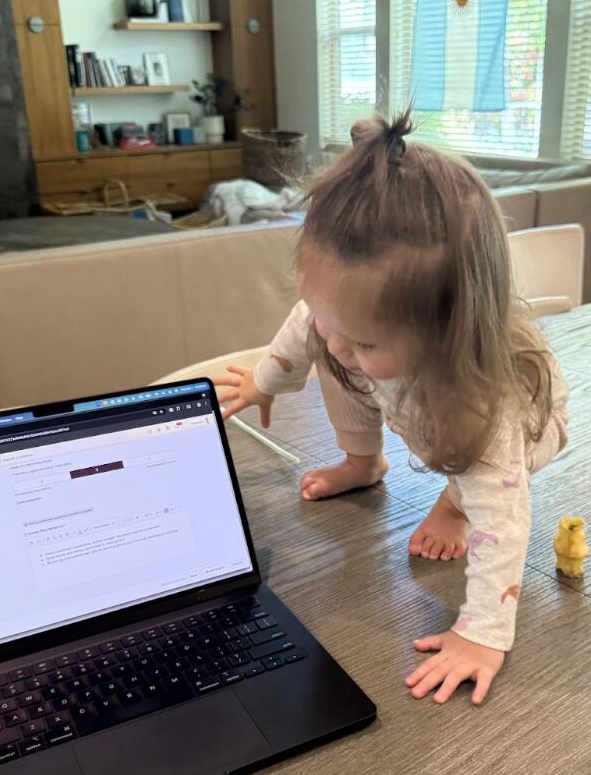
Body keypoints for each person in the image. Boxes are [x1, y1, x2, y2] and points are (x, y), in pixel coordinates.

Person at [217, 111, 569, 706]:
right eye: (331, 319)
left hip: (531, 428)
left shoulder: (490, 412)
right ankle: (363, 462)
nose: (336, 342)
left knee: (476, 471)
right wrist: (264, 382)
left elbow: (505, 523)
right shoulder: (344, 324)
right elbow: (305, 327)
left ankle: (452, 500)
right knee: (339, 362)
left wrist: (482, 635)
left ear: (445, 331)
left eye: (364, 339)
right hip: (412, 390)